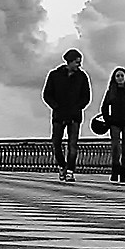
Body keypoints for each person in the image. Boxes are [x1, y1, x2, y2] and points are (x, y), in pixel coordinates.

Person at [42, 49, 91, 182]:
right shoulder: (54, 75)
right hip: (59, 115)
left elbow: (86, 97)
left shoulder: (82, 77)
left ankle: (70, 170)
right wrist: (56, 106)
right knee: (56, 143)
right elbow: (47, 95)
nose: (79, 65)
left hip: (74, 116)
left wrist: (77, 107)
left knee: (73, 144)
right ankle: (62, 165)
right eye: (76, 62)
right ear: (69, 62)